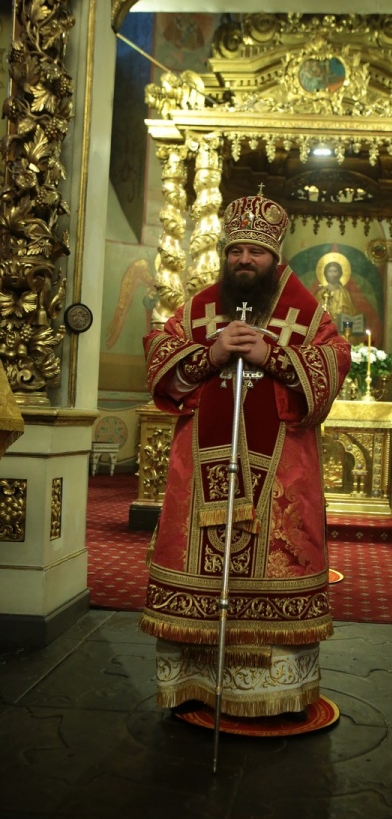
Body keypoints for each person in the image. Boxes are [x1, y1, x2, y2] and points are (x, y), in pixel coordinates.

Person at [140, 191, 351, 718]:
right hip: (201, 467)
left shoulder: (306, 311)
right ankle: (195, 683)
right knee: (199, 562)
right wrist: (211, 353)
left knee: (274, 562)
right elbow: (160, 358)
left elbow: (333, 361)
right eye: (235, 251)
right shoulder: (199, 308)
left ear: (275, 257)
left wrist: (272, 354)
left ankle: (274, 692)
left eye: (255, 252)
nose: (244, 260)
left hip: (281, 471)